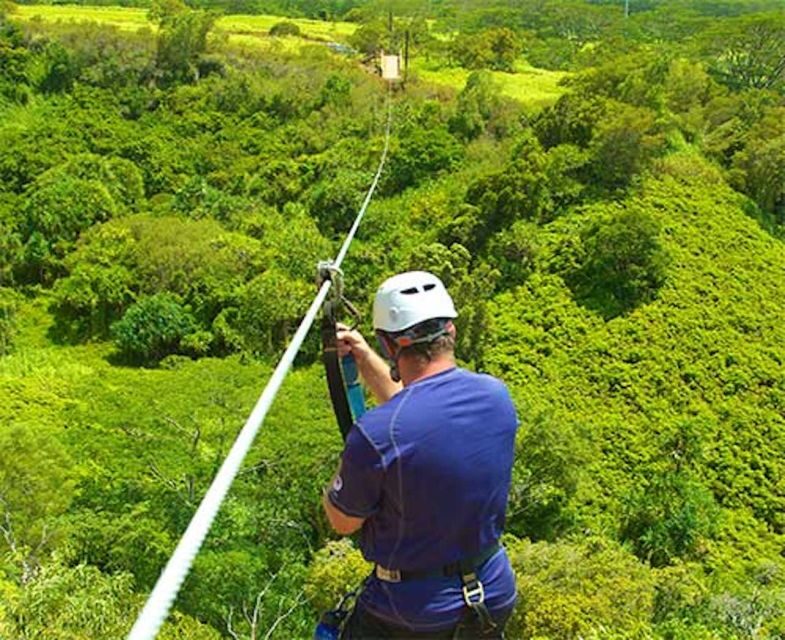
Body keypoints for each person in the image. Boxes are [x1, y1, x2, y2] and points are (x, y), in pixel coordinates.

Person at [321, 271, 519, 639]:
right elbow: (416, 417)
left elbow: (342, 521)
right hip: (492, 593)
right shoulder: (497, 396)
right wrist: (363, 358)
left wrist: (349, 464)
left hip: (409, 613)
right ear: (451, 330)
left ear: (388, 344)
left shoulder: (376, 434)